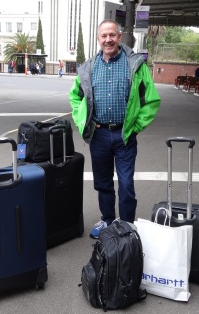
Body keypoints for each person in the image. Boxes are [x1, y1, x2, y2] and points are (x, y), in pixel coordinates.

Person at [69, 19, 161, 239]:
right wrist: (84, 121)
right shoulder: (89, 67)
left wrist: (136, 125)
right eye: (104, 36)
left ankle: (127, 226)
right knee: (103, 183)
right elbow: (75, 97)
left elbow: (152, 100)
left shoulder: (135, 65)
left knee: (126, 184)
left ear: (119, 37)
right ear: (98, 39)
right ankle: (108, 220)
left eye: (112, 35)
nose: (108, 39)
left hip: (125, 135)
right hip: (99, 134)